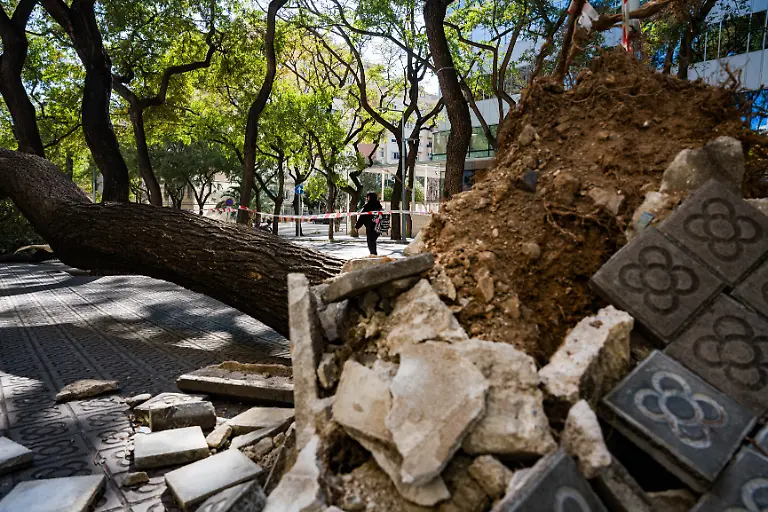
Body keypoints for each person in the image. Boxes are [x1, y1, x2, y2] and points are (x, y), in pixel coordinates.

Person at [356, 192, 384, 256]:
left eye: (367, 197)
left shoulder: (368, 206)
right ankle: (374, 254)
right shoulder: (378, 205)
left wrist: (357, 226)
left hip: (371, 227)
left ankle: (373, 254)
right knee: (373, 241)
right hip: (378, 226)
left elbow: (362, 218)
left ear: (370, 197)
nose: (366, 198)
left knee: (370, 241)